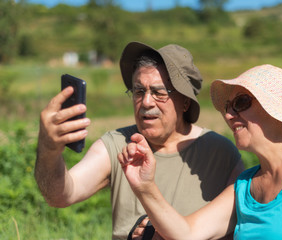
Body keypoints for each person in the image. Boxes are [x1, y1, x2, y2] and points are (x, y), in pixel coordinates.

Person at [119, 64, 282, 239]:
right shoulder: (243, 186)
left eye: (241, 103)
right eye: (227, 106)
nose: (228, 114)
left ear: (274, 110)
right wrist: (145, 186)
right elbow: (187, 234)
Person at [34, 41, 245, 239]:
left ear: (185, 102)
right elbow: (60, 195)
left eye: (158, 92)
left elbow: (236, 229)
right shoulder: (116, 144)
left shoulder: (221, 153)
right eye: (139, 91)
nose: (145, 101)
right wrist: (48, 150)